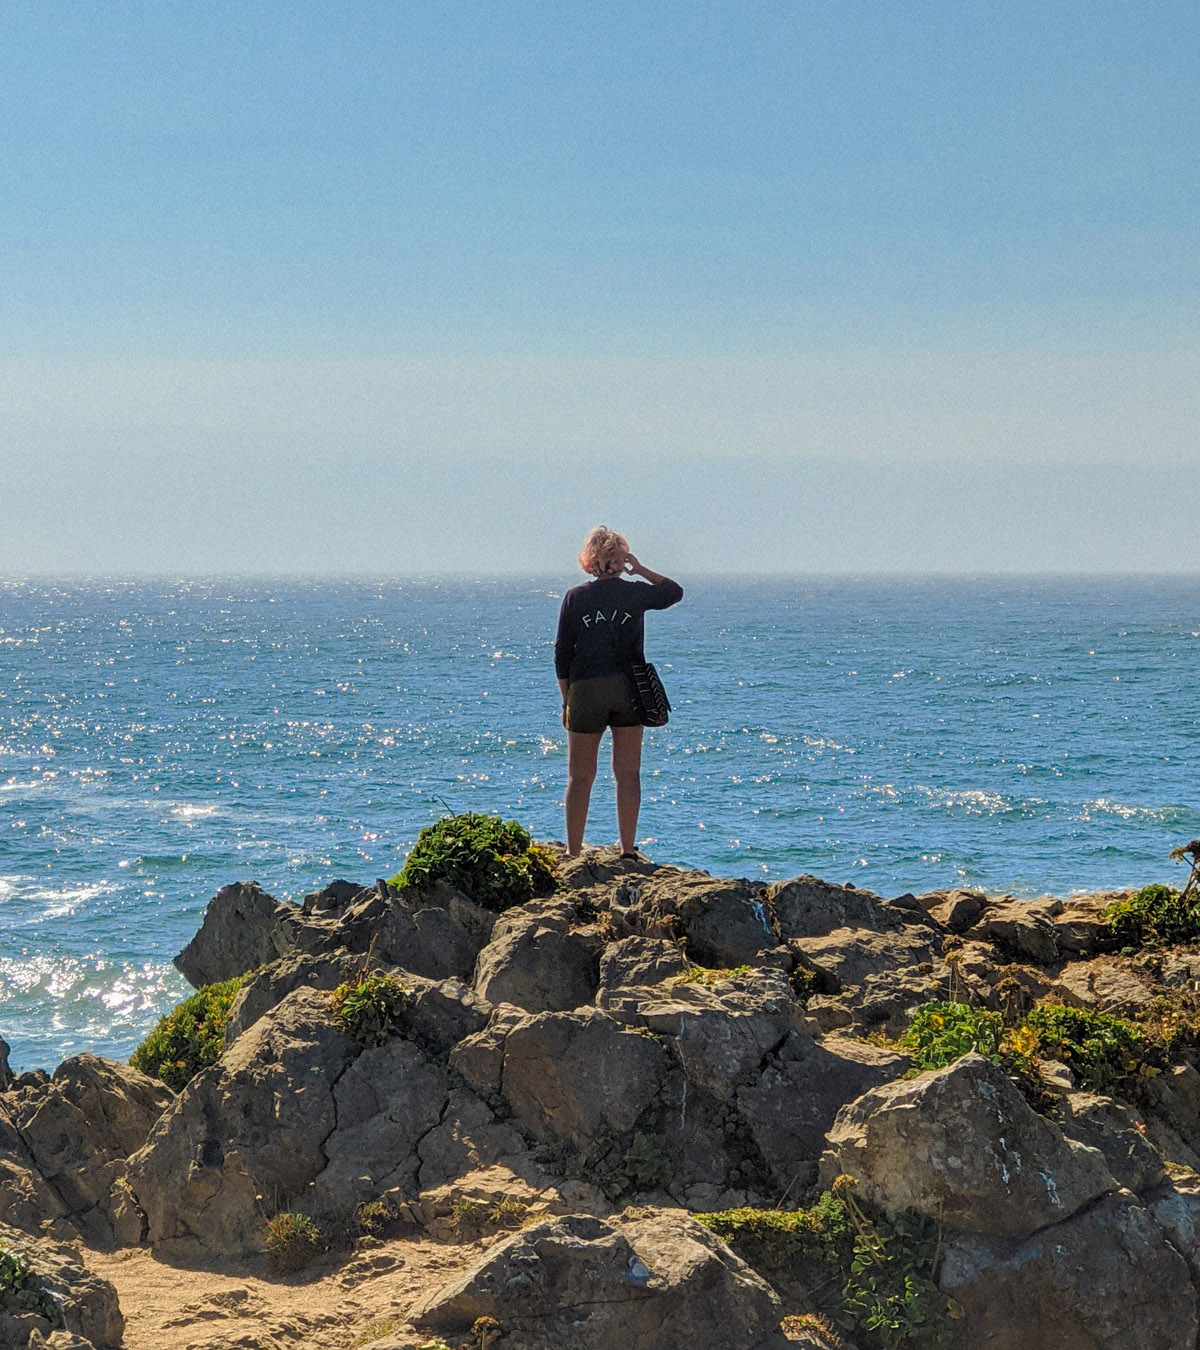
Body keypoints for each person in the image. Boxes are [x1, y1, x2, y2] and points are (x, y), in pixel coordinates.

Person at [554, 526, 683, 858]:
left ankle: (572, 852)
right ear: (621, 557)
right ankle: (627, 850)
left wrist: (566, 699)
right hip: (628, 688)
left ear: (588, 559)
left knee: (579, 776)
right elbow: (673, 591)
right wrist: (639, 570)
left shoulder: (576, 597)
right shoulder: (635, 593)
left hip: (586, 690)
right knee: (627, 773)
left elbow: (562, 652)